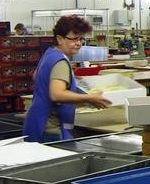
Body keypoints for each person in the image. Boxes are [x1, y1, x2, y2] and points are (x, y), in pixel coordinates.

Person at [23, 15, 111, 143]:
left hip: (36, 123)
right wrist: (90, 98)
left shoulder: (50, 54)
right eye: (74, 39)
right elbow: (56, 95)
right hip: (51, 129)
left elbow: (36, 75)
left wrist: (69, 79)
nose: (79, 43)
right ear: (59, 39)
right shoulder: (60, 62)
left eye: (81, 39)